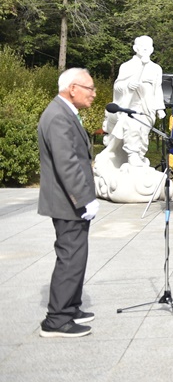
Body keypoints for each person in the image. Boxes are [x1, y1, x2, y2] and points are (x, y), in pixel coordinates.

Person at [37, 68, 100, 338]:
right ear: (73, 88)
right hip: (67, 202)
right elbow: (67, 164)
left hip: (69, 201)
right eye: (90, 89)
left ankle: (70, 306)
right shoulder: (57, 117)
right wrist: (85, 199)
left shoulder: (63, 112)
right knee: (70, 257)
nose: (94, 94)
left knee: (77, 255)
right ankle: (56, 319)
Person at [106, 36, 165, 169]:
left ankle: (140, 154)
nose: (145, 49)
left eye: (148, 46)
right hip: (131, 107)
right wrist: (127, 85)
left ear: (152, 49)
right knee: (133, 127)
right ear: (135, 48)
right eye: (142, 46)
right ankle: (132, 155)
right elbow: (117, 86)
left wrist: (159, 108)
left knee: (144, 133)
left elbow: (158, 89)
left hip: (147, 107)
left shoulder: (156, 69)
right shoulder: (127, 66)